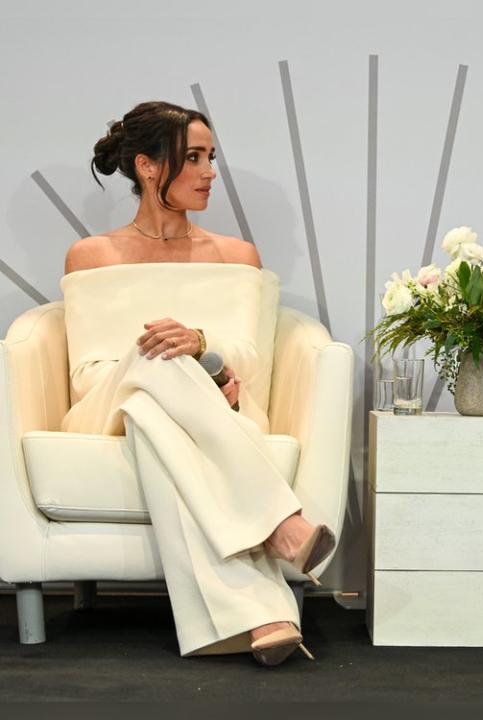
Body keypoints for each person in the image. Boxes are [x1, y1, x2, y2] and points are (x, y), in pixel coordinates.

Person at [62, 101, 336, 666]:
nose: (210, 171)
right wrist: (171, 356)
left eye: (211, 157)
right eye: (193, 158)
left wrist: (205, 359)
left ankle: (263, 618)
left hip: (209, 409)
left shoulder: (237, 256)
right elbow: (86, 376)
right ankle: (281, 525)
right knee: (156, 357)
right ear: (147, 166)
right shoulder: (89, 257)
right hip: (103, 409)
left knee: (153, 416)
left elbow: (253, 360)